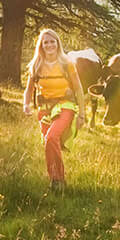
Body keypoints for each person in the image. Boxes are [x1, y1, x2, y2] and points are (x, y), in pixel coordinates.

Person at [21, 28, 86, 192]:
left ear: (58, 43)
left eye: (52, 42)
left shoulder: (67, 64)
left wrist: (82, 115)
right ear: (41, 46)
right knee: (49, 142)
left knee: (51, 137)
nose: (49, 45)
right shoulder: (36, 65)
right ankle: (56, 179)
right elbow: (29, 89)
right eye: (46, 42)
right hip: (45, 110)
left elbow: (78, 89)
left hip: (65, 106)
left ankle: (57, 181)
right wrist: (26, 105)